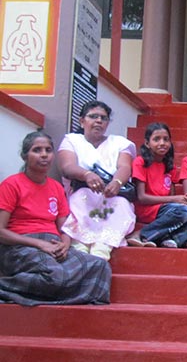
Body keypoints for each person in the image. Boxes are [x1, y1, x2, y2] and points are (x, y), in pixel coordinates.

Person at [0, 132, 111, 306]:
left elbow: (65, 227)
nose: (44, 154)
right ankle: (5, 286)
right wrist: (39, 244)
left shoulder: (56, 187)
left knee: (99, 266)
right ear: (25, 156)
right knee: (54, 274)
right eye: (37, 150)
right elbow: (1, 232)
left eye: (48, 150)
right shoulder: (11, 184)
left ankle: (52, 296)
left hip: (53, 246)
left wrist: (65, 245)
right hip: (20, 247)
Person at [57, 100, 136, 260]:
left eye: (103, 118)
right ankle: (80, 248)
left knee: (120, 204)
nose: (99, 121)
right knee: (81, 198)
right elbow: (67, 166)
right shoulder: (72, 140)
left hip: (112, 196)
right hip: (82, 194)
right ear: (82, 120)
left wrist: (117, 182)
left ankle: (101, 250)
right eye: (93, 116)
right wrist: (86, 175)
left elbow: (124, 167)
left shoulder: (119, 142)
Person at [129, 123, 187, 248]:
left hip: (163, 209)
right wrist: (174, 200)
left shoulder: (170, 166)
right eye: (156, 139)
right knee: (183, 211)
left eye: (166, 139)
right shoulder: (140, 162)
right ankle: (141, 234)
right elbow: (142, 197)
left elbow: (172, 198)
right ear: (147, 143)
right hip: (146, 209)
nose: (162, 143)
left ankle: (162, 237)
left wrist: (183, 200)